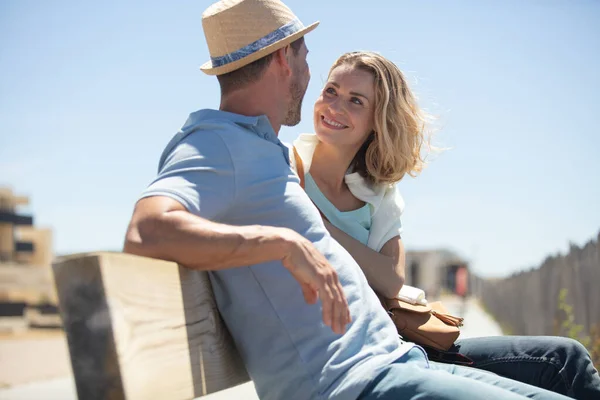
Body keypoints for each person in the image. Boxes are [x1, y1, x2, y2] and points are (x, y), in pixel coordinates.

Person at [123, 0, 577, 398]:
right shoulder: (217, 140)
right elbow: (146, 229)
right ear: (285, 58)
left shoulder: (267, 149)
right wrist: (281, 243)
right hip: (354, 384)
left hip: (391, 362)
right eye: (306, 59)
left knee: (565, 367)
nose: (308, 75)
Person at [290, 50, 600, 399]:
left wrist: (317, 225)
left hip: (406, 343)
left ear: (378, 120)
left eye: (355, 100)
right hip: (361, 360)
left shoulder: (378, 193)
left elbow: (392, 279)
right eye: (331, 91)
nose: (335, 106)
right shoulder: (288, 170)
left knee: (566, 358)